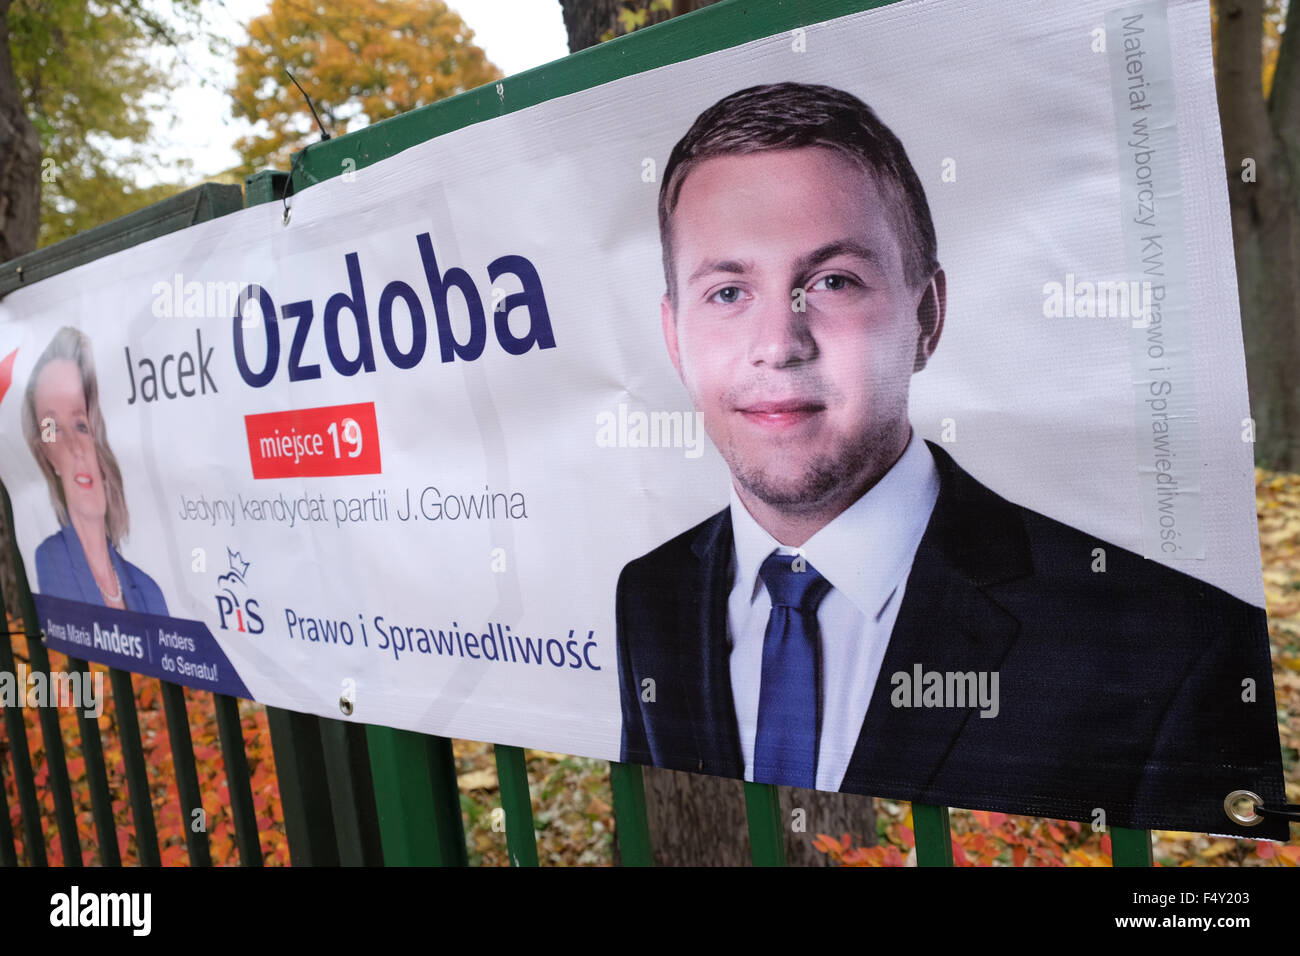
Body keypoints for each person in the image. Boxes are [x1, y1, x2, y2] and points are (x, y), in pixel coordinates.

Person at [615, 82, 1288, 839]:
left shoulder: (1176, 648)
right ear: (675, 337)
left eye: (833, 282)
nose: (779, 342)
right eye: (729, 290)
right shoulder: (650, 592)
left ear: (927, 315)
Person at [21, 326, 169, 616]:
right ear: (47, 456)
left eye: (81, 425)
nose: (75, 448)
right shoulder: (50, 560)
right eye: (53, 429)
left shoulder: (149, 590)